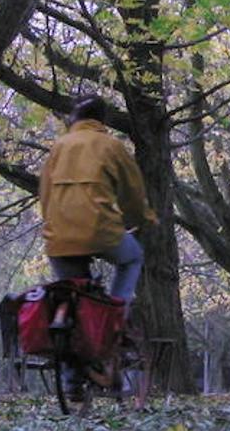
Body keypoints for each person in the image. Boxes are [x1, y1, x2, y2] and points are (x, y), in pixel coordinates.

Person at [39, 94, 157, 303]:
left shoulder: (59, 146)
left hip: (59, 237)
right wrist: (142, 219)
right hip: (99, 231)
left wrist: (52, 224)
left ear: (74, 119)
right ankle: (117, 312)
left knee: (76, 296)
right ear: (102, 119)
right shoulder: (111, 145)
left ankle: (69, 327)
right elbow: (132, 193)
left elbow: (46, 194)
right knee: (133, 257)